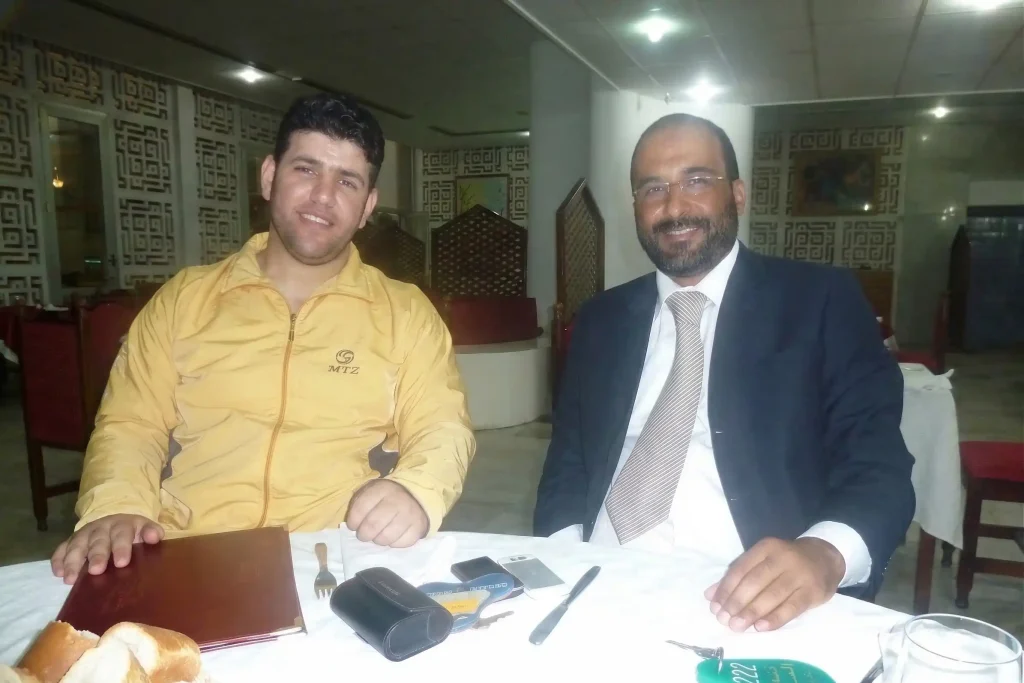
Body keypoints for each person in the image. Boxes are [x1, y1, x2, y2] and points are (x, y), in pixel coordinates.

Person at [52, 93, 475, 585]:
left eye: (347, 181)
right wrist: (117, 505)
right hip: (191, 552)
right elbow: (131, 422)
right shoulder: (184, 300)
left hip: (330, 559)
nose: (323, 196)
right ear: (270, 176)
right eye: (306, 169)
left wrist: (418, 491)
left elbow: (442, 427)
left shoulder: (405, 314)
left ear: (368, 207)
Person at [534, 113, 914, 633]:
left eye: (696, 180)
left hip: (746, 586)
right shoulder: (603, 318)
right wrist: (563, 556)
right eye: (653, 188)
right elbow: (568, 460)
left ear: (737, 193)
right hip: (600, 575)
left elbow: (878, 463)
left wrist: (824, 553)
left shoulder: (819, 301)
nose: (674, 207)